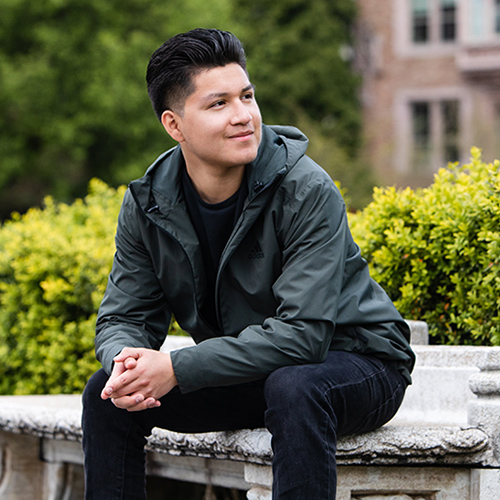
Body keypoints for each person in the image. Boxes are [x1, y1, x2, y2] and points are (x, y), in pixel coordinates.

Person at [82, 28, 415, 500]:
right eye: (219, 104)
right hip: (255, 371)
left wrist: (177, 366)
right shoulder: (148, 203)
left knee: (295, 387)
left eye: (247, 96)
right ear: (174, 125)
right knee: (108, 397)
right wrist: (124, 363)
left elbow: (303, 336)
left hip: (358, 365)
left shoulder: (306, 189)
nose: (244, 116)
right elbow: (124, 315)